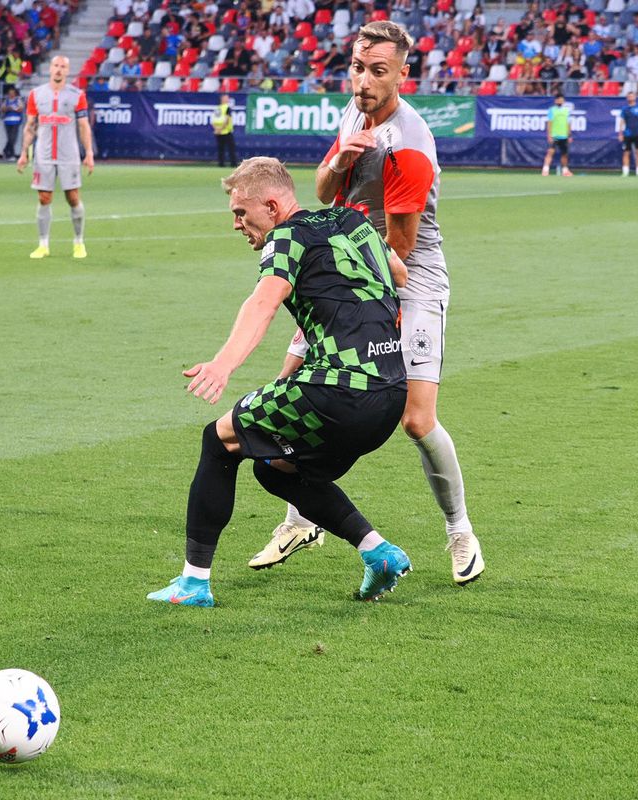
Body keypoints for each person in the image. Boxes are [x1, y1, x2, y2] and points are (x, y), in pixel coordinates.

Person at [255, 20, 485, 585]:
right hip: (352, 264)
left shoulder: (409, 146)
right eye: (358, 67)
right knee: (298, 384)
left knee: (415, 418)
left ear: (403, 74)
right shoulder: (354, 114)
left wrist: (331, 263)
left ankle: (461, 532)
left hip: (410, 276)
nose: (363, 80)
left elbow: (401, 249)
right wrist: (340, 159)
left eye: (378, 71)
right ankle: (298, 517)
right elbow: (324, 191)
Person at [147, 157, 411, 607]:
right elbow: (399, 275)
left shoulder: (286, 236)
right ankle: (378, 553)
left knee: (219, 439)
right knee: (276, 469)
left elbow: (264, 301)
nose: (237, 224)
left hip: (339, 390)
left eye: (240, 213)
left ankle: (193, 583)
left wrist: (223, 364)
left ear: (271, 205)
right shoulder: (352, 220)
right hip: (390, 393)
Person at [16, 55, 95, 260]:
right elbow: (30, 125)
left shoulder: (77, 95)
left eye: (63, 67)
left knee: (73, 198)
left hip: (69, 155)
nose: (59, 70)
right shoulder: (36, 94)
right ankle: (43, 244)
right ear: (50, 69)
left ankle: (78, 242)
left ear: (68, 71)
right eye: (56, 66)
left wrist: (89, 153)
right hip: (43, 155)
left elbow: (83, 125)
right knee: (44, 198)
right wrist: (24, 152)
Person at [541, 92, 573, 177]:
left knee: (564, 154)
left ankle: (565, 171)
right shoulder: (552, 110)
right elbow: (549, 123)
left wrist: (569, 135)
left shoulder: (567, 111)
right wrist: (549, 135)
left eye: (561, 100)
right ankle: (545, 170)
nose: (560, 101)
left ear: (563, 101)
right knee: (550, 152)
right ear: (555, 101)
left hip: (564, 136)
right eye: (558, 100)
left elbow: (568, 123)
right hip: (555, 135)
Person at [618, 92, 638, 177]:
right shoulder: (625, 109)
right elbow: (622, 121)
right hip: (627, 133)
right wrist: (620, 133)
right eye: (629, 96)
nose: (630, 97)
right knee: (626, 152)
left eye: (632, 96)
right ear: (627, 98)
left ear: (635, 97)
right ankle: (625, 171)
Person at [212, 92, 237, 167]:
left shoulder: (218, 108)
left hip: (218, 132)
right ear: (222, 99)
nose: (227, 99)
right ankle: (233, 164)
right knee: (231, 149)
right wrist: (221, 129)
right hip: (226, 131)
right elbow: (227, 120)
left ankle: (221, 164)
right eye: (226, 98)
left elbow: (214, 121)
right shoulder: (227, 108)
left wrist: (217, 129)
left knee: (221, 149)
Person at [0, 85, 23, 161]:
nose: (11, 95)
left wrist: (14, 109)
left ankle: (8, 152)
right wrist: (8, 108)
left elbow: (21, 108)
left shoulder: (18, 100)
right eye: (10, 93)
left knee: (12, 138)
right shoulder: (6, 101)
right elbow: (2, 109)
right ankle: (9, 153)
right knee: (10, 138)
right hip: (7, 121)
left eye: (12, 93)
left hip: (16, 121)